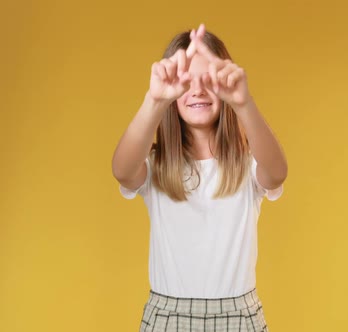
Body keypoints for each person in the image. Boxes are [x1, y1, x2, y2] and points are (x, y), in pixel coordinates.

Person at [111, 23, 287, 332]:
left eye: (209, 79)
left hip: (239, 316)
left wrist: (243, 103)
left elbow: (276, 173)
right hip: (168, 317)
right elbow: (122, 171)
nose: (198, 90)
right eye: (186, 81)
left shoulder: (247, 166)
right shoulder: (156, 165)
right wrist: (154, 100)